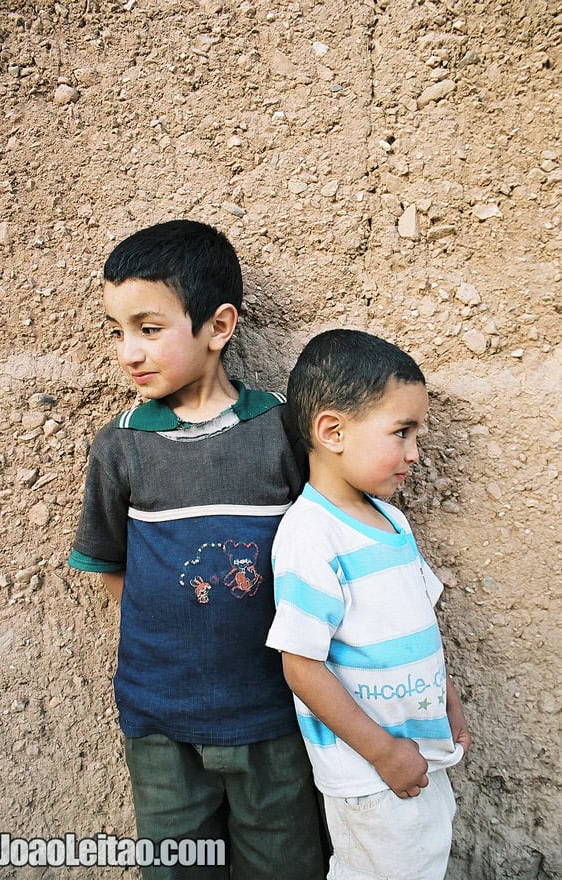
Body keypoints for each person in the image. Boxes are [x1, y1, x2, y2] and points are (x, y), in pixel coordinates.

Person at [68, 219, 324, 879]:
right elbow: (112, 567)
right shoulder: (121, 446)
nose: (128, 351)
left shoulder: (277, 430)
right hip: (161, 721)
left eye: (149, 330)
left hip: (275, 716)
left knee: (284, 862)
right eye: (117, 331)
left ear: (218, 326)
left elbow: (323, 545)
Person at [266, 329, 471, 880]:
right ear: (332, 431)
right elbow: (301, 665)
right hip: (369, 773)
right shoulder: (310, 537)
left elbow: (418, 623)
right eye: (402, 432)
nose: (415, 452)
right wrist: (381, 752)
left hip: (417, 755)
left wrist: (446, 697)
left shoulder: (391, 521)